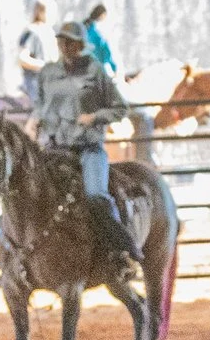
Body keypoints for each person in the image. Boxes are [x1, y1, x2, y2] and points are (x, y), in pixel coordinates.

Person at [31, 21, 142, 281]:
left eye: (69, 42)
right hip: (55, 148)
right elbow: (40, 104)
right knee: (31, 193)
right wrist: (35, 119)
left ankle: (121, 250)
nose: (64, 47)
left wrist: (93, 117)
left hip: (88, 148)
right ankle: (18, 255)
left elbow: (120, 108)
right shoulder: (48, 73)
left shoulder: (95, 71)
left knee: (95, 196)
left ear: (80, 46)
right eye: (61, 42)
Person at [16, 0, 59, 101]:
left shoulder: (50, 33)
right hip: (36, 85)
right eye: (50, 12)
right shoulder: (32, 32)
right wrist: (44, 66)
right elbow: (23, 59)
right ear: (40, 12)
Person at [81, 2, 119, 73]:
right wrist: (113, 66)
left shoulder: (85, 23)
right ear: (101, 14)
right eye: (104, 15)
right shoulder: (94, 27)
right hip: (92, 62)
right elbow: (103, 46)